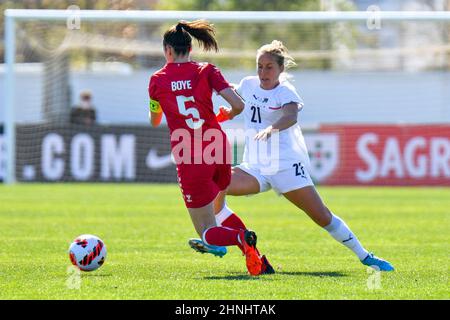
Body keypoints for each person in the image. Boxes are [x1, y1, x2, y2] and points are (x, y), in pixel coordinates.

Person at [191, 40, 394, 272]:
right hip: (255, 166)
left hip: (285, 166)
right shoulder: (248, 84)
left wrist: (271, 129)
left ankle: (366, 256)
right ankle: (224, 242)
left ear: (280, 69)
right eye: (259, 66)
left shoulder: (285, 92)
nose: (263, 72)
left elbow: (290, 116)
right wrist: (223, 110)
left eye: (269, 67)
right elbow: (235, 98)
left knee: (322, 216)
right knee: (216, 184)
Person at [148, 20, 272, 276]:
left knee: (206, 230)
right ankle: (257, 259)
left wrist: (160, 105)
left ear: (167, 50)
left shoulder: (157, 80)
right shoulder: (207, 70)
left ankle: (240, 239)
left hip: (190, 155)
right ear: (190, 49)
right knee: (219, 209)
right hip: (219, 148)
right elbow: (238, 105)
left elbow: (155, 120)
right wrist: (222, 116)